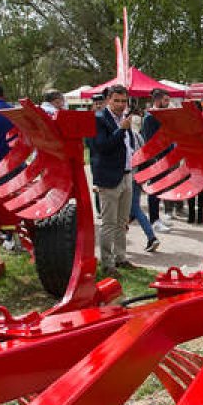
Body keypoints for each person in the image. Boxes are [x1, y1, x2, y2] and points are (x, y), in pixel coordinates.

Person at [89, 85, 137, 275]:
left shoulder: (124, 118)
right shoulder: (99, 118)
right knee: (109, 223)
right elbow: (101, 146)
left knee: (122, 221)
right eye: (116, 100)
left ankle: (121, 258)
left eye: (124, 101)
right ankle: (107, 263)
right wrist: (121, 130)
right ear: (108, 100)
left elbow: (127, 146)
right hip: (109, 177)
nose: (120, 104)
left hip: (126, 174)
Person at [141, 88, 174, 233]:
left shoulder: (163, 115)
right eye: (166, 100)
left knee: (161, 188)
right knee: (155, 188)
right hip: (156, 159)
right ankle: (154, 220)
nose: (168, 103)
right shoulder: (149, 117)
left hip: (165, 156)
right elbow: (149, 141)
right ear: (158, 100)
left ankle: (157, 217)